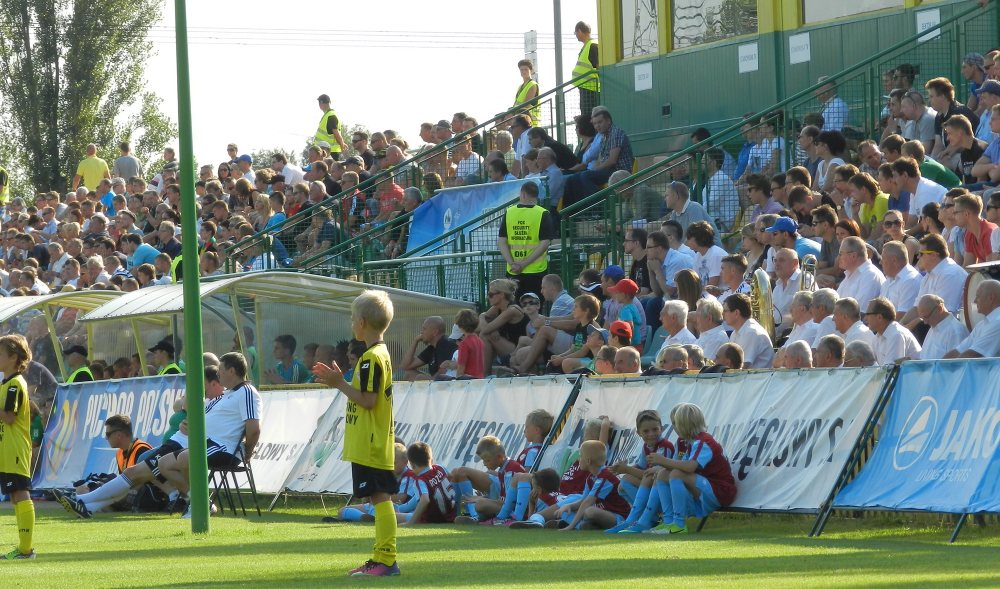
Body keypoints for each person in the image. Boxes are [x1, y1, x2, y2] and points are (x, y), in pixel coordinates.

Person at [312, 290, 399, 577]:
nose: (351, 323)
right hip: (371, 439)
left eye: (352, 318)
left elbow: (368, 400)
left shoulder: (371, 357)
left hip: (370, 441)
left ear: (362, 322)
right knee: (378, 497)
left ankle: (386, 559)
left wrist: (339, 384)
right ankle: (381, 558)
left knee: (379, 497)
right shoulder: (377, 356)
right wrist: (342, 380)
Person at [646, 403, 736, 535]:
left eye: (675, 423)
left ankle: (679, 524)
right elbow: (682, 464)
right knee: (663, 474)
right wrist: (661, 466)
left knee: (676, 474)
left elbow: (689, 467)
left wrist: (663, 460)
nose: (674, 428)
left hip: (721, 491)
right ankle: (668, 522)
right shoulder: (692, 441)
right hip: (708, 488)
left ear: (684, 424)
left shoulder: (703, 441)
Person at [0, 335, 35, 559]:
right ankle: (23, 548)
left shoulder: (14, 384)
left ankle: (26, 550)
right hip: (7, 449)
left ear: (13, 357)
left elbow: (9, 418)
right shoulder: (6, 383)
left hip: (15, 449)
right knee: (15, 496)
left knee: (20, 493)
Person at [555, 440, 630, 531]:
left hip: (619, 516)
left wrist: (570, 527)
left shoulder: (604, 477)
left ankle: (573, 525)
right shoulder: (591, 477)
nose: (578, 459)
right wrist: (569, 506)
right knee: (565, 509)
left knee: (589, 511)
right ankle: (585, 525)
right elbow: (583, 500)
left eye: (580, 456)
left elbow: (587, 502)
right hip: (605, 512)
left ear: (588, 461)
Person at [497, 181, 554, 299]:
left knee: (513, 308)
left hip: (513, 271)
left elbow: (502, 241)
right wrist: (524, 264)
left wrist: (512, 263)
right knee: (534, 307)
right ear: (536, 195)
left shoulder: (509, 212)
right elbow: (545, 243)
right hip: (536, 272)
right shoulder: (543, 213)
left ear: (522, 194)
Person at [943, 279, 1000, 359]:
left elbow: (972, 355)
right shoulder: (982, 324)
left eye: (978, 296)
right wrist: (939, 366)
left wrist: (945, 368)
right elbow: (959, 350)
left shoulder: (997, 322)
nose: (975, 301)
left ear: (991, 298)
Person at [402, 442, 457, 525]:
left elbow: (425, 500)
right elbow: (450, 477)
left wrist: (411, 523)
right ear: (431, 459)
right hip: (452, 512)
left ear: (412, 465)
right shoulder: (440, 468)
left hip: (434, 519)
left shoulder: (420, 480)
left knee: (396, 516)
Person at [864, 297, 921, 364]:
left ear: (879, 317)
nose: (865, 318)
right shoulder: (877, 338)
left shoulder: (896, 335)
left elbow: (892, 370)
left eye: (867, 314)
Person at [724, 293, 774, 368]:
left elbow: (741, 367)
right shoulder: (735, 333)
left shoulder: (751, 332)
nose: (723, 314)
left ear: (736, 313)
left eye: (725, 310)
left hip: (758, 379)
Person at [837, 236, 885, 310]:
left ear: (853, 256)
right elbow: (836, 304)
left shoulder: (870, 276)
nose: (838, 258)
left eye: (840, 254)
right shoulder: (850, 274)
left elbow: (860, 311)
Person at [916, 294, 968, 360]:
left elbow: (955, 366)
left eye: (926, 317)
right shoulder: (933, 328)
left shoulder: (956, 332)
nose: (925, 322)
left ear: (940, 309)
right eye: (923, 318)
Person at [572, 21, 600, 115]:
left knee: (589, 115)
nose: (575, 35)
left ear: (579, 31)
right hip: (586, 87)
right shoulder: (587, 46)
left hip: (591, 89)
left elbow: (598, 65)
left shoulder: (592, 45)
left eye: (575, 32)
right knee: (586, 115)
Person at [315, 94, 348, 159]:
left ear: (321, 103)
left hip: (328, 152)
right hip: (326, 151)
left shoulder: (330, 116)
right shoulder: (329, 115)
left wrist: (342, 145)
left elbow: (336, 133)